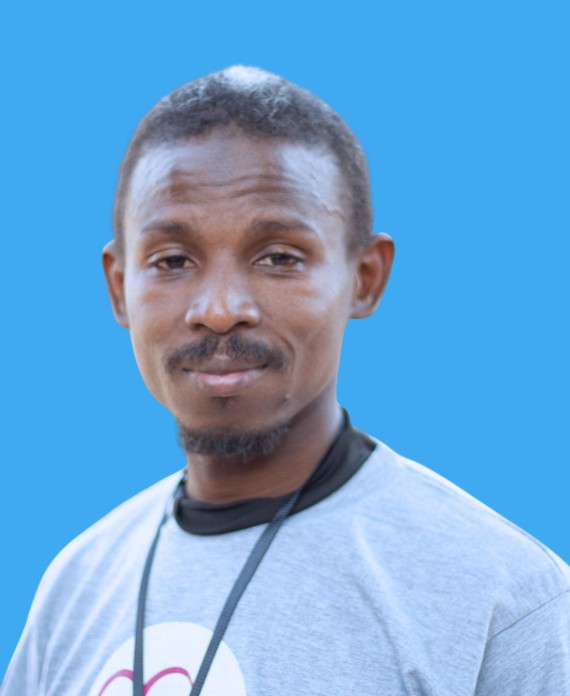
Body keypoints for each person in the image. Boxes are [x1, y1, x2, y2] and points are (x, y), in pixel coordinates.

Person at [2, 66, 569, 696]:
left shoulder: (505, 600)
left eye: (279, 257)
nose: (220, 309)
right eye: (172, 261)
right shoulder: (74, 588)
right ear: (119, 288)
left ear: (365, 278)